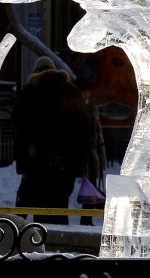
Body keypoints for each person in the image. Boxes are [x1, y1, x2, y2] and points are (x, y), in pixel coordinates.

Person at [13, 56, 91, 224]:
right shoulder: (70, 90)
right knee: (59, 206)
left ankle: (38, 244)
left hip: (36, 164)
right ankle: (59, 242)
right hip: (65, 164)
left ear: (35, 72)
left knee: (39, 209)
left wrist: (23, 162)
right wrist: (78, 162)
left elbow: (20, 129)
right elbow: (83, 129)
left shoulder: (29, 93)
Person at [75, 73, 107, 226]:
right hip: (81, 154)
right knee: (88, 187)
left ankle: (86, 219)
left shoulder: (93, 108)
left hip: (92, 155)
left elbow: (99, 133)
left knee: (91, 188)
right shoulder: (75, 107)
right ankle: (85, 218)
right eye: (84, 92)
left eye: (88, 92)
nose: (86, 94)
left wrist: (102, 158)